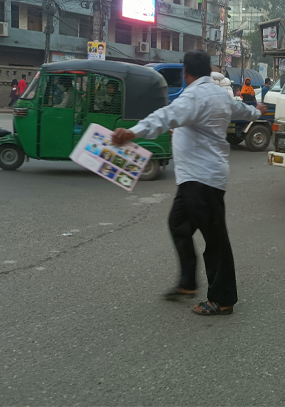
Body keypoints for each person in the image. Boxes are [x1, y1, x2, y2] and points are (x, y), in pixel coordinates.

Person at [110, 50, 267, 316]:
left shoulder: (194, 96)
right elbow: (242, 109)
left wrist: (132, 132)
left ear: (185, 72)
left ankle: (222, 299)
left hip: (201, 180)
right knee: (178, 224)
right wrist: (256, 110)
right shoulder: (220, 94)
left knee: (215, 240)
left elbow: (165, 116)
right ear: (208, 70)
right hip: (195, 179)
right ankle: (187, 283)